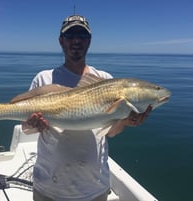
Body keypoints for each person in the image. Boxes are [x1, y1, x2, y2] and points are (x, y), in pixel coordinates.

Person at [23, 15, 152, 201]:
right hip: (49, 187)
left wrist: (126, 120)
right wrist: (35, 124)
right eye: (70, 35)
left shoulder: (105, 80)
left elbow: (111, 132)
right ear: (61, 41)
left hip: (94, 188)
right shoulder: (44, 79)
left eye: (82, 35)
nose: (76, 40)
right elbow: (28, 128)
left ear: (89, 41)